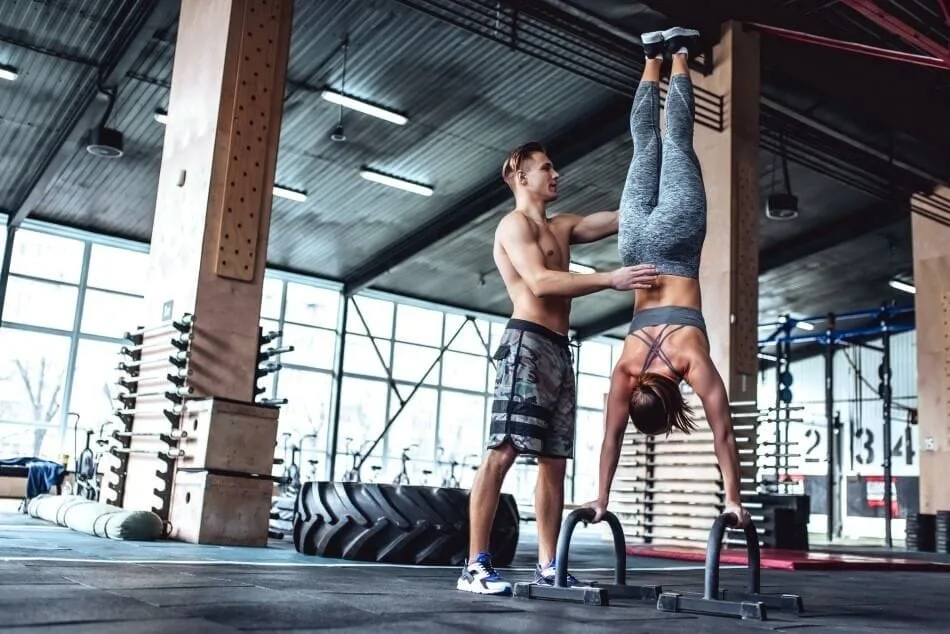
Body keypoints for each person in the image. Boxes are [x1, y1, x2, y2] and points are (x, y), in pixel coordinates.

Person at [455, 142, 659, 596]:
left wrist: (656, 183)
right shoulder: (513, 226)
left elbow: (618, 218)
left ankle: (548, 567)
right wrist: (612, 279)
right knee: (503, 452)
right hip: (526, 344)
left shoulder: (562, 226)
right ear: (520, 177)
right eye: (546, 167)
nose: (556, 174)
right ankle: (474, 565)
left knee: (553, 462)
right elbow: (543, 283)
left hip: (558, 350)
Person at [582, 27, 750, 528]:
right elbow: (609, 438)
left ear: (674, 398)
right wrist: (599, 497)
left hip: (677, 241)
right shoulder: (625, 374)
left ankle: (679, 53)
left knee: (676, 139)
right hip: (634, 243)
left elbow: (723, 433)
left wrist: (733, 500)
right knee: (644, 144)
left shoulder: (690, 360)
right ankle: (651, 55)